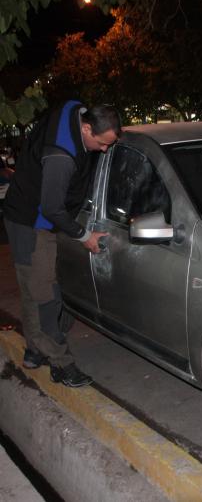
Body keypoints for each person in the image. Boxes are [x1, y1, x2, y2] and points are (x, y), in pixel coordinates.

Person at [3, 100, 121, 387]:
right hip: (32, 223)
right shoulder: (61, 156)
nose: (104, 150)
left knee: (34, 290)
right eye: (102, 144)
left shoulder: (74, 108)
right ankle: (61, 364)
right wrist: (85, 236)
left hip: (31, 214)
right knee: (46, 298)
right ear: (86, 128)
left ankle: (35, 351)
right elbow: (52, 208)